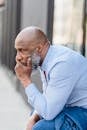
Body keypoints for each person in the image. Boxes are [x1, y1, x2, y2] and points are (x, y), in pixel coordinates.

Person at [15, 26, 87, 130]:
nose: (18, 57)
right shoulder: (45, 60)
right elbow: (48, 97)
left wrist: (25, 79)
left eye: (22, 50)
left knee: (41, 127)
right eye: (17, 51)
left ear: (38, 49)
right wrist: (34, 117)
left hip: (83, 112)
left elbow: (48, 112)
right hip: (72, 109)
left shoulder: (61, 64)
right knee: (35, 115)